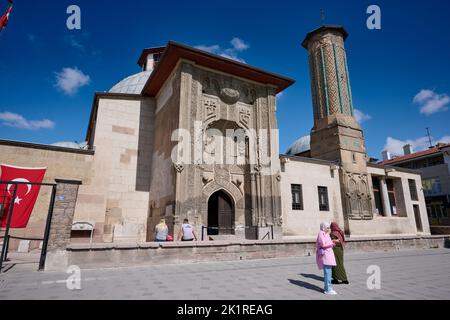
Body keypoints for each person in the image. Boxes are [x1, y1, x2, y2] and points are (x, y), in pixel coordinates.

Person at [316, 222, 338, 295]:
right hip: (326, 256)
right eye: (327, 227)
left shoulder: (325, 233)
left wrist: (332, 243)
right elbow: (323, 244)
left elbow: (327, 243)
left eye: (329, 227)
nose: (329, 229)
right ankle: (328, 290)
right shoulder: (321, 233)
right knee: (327, 273)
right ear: (323, 227)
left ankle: (328, 288)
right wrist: (332, 243)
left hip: (328, 255)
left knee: (328, 273)